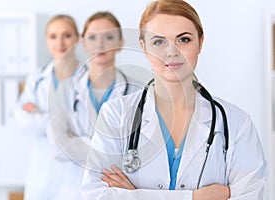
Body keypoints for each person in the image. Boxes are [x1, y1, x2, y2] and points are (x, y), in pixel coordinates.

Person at [81, 0, 267, 199]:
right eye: (158, 42)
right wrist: (195, 197)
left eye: (184, 40)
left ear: (200, 42)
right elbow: (96, 194)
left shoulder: (236, 124)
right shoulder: (116, 115)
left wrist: (135, 195)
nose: (171, 51)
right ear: (144, 48)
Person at [47, 11, 140, 200]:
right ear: (82, 41)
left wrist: (78, 140)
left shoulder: (137, 93)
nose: (100, 44)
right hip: (72, 189)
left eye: (109, 37)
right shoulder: (64, 90)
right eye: (92, 37)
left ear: (120, 43)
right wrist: (110, 147)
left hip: (118, 191)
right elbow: (58, 145)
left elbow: (138, 149)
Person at [15, 14, 79, 200]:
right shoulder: (36, 79)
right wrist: (62, 119)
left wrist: (40, 113)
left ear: (78, 38)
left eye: (67, 35)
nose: (60, 42)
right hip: (41, 169)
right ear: (46, 41)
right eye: (53, 36)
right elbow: (24, 123)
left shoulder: (89, 79)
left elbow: (84, 124)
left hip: (75, 170)